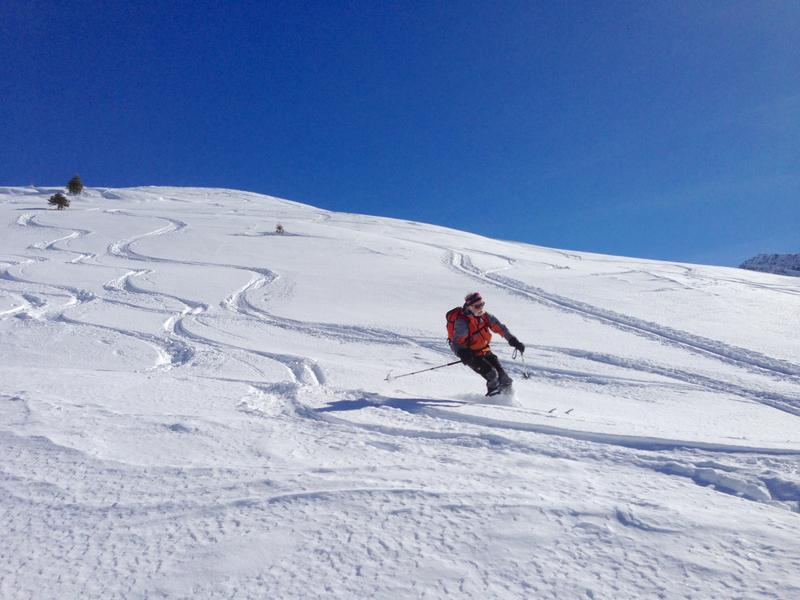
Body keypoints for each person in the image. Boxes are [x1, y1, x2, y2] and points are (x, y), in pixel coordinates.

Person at [449, 292, 525, 395]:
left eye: (482, 304)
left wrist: (513, 340)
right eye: (477, 306)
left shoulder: (485, 316)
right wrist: (463, 354)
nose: (480, 307)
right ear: (469, 306)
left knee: (505, 379)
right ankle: (494, 403)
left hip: (484, 350)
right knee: (492, 375)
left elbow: (500, 328)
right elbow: (457, 343)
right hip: (472, 355)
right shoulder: (462, 322)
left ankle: (510, 402)